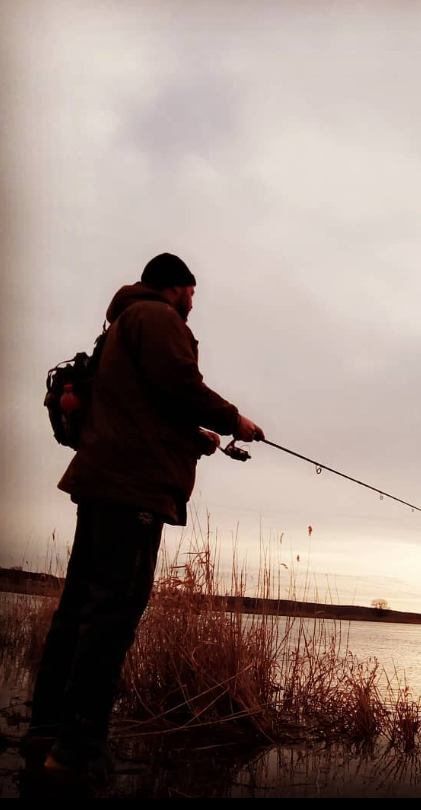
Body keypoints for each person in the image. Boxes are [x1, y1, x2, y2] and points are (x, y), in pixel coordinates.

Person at [24, 253, 264, 776]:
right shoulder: (157, 318)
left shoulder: (120, 326)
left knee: (77, 610)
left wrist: (195, 438)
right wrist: (232, 421)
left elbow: (145, 406)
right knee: (113, 614)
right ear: (175, 287)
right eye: (192, 293)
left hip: (104, 483)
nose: (194, 303)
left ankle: (45, 729)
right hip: (133, 491)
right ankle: (77, 748)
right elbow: (179, 386)